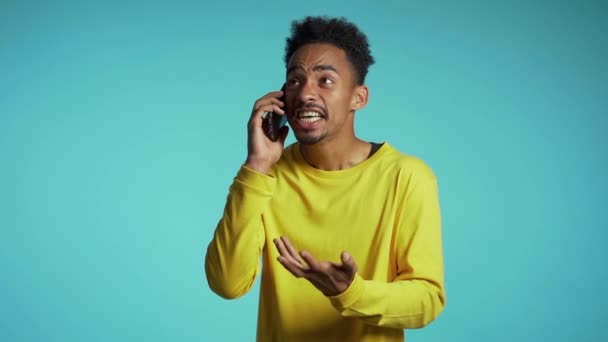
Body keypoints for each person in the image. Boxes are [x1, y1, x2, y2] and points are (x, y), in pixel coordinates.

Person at [205, 15, 446, 341]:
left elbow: (427, 300)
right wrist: (256, 165)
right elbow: (227, 283)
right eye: (294, 80)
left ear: (358, 98)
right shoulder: (265, 177)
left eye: (325, 81)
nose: (305, 93)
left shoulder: (407, 177)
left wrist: (351, 291)